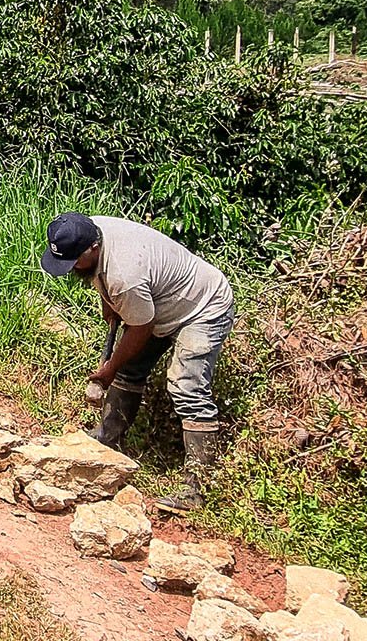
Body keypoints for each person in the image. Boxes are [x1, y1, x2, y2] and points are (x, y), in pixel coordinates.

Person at [40, 212, 235, 514]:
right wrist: (110, 303)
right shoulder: (86, 229)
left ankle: (197, 488)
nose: (71, 269)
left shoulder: (125, 275)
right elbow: (102, 277)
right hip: (159, 300)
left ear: (92, 248)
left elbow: (140, 329)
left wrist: (109, 369)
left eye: (74, 261)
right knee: (131, 366)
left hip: (203, 307)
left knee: (186, 386)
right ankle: (107, 439)